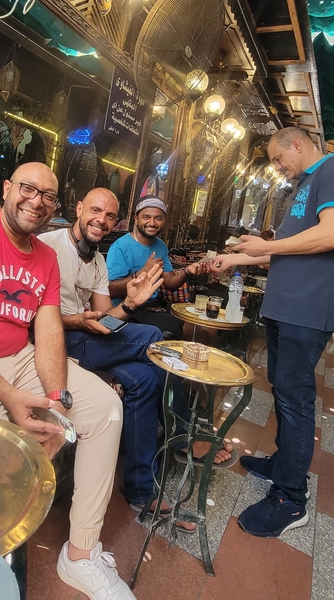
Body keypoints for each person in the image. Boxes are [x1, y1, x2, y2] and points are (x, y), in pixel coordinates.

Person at [0, 163, 135, 599]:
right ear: (8, 188)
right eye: (28, 190)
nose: (36, 201)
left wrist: (57, 401)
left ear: (56, 206)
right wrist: (11, 396)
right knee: (1, 435)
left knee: (107, 409)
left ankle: (81, 554)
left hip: (20, 358)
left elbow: (48, 331)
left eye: (47, 196)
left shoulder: (47, 257)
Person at [39, 190, 227, 527]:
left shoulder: (97, 262)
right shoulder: (49, 246)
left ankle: (141, 491)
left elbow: (103, 322)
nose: (102, 220)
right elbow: (37, 315)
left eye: (110, 216)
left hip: (87, 339)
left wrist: (130, 305)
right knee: (154, 336)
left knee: (145, 379)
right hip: (57, 340)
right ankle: (187, 430)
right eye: (95, 211)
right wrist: (77, 320)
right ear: (79, 208)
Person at [214, 126, 334, 538]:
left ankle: (290, 498)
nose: (279, 168)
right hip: (289, 305)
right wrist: (241, 258)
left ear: (297, 145)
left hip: (310, 307)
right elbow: (295, 250)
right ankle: (284, 464)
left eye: (280, 159)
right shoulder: (304, 184)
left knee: (295, 398)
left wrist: (265, 248)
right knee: (282, 388)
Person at [106, 198, 208, 340]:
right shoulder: (120, 247)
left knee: (190, 329)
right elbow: (111, 290)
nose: (152, 223)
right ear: (136, 219)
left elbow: (170, 283)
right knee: (170, 327)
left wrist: (187, 271)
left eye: (158, 218)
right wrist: (142, 273)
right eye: (146, 217)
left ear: (164, 221)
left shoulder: (160, 246)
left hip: (150, 307)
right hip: (125, 310)